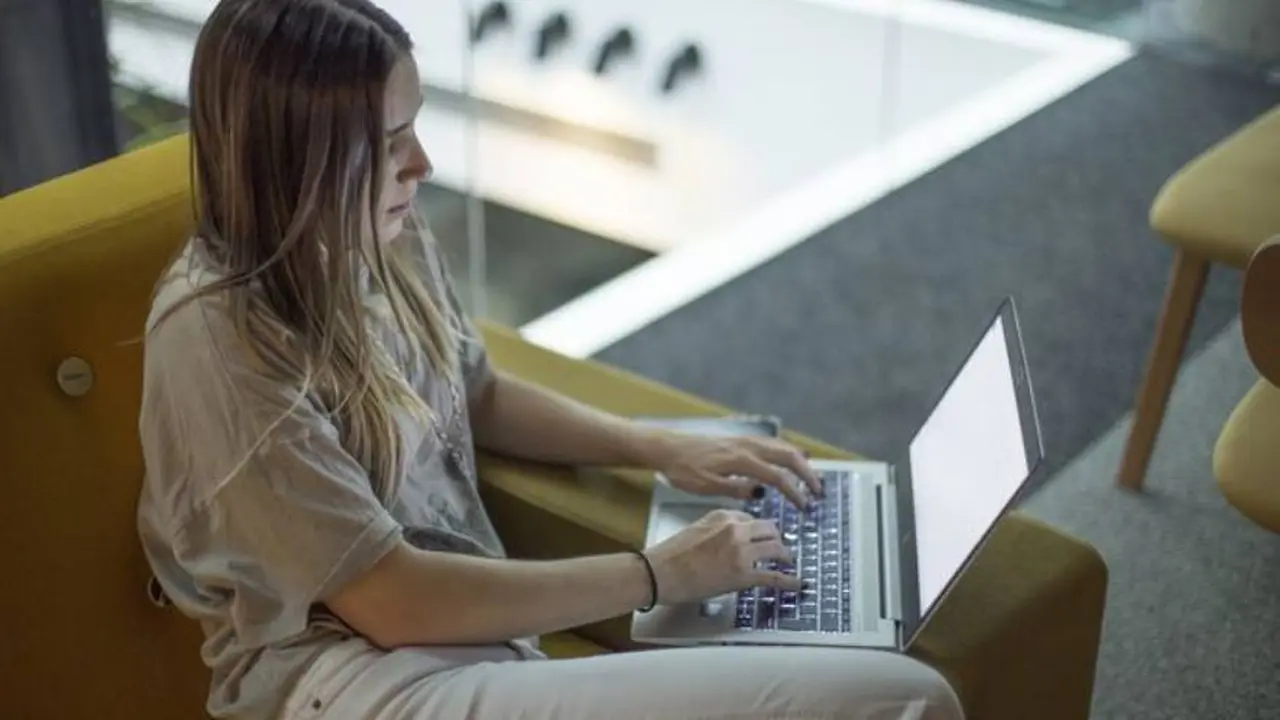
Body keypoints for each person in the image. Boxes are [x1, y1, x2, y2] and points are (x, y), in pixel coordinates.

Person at [136, 1, 966, 718]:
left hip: (470, 643)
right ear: (298, 162)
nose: (422, 164)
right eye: (388, 143)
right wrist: (657, 573)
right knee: (910, 700)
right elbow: (389, 599)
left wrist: (661, 446)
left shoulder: (377, 231)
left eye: (413, 126)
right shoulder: (219, 339)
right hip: (355, 685)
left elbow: (476, 392)